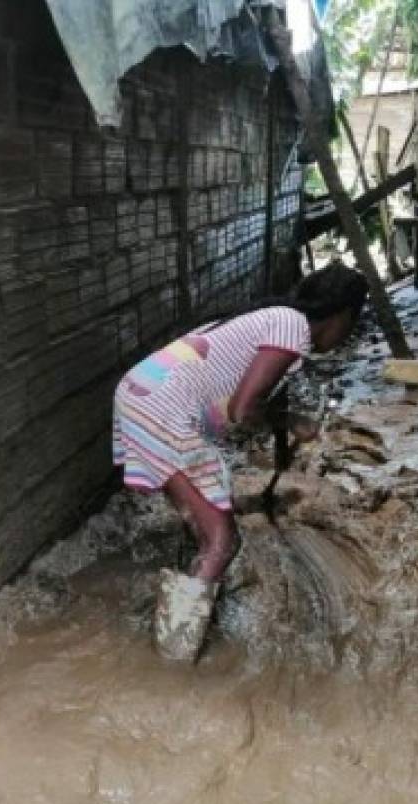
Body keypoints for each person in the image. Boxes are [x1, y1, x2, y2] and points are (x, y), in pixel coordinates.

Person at [112, 261, 368, 661]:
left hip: (139, 393)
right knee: (222, 540)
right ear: (341, 315)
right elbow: (243, 408)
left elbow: (264, 392)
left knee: (199, 523)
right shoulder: (291, 328)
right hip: (163, 408)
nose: (345, 336)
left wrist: (283, 447)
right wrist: (293, 421)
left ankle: (189, 611)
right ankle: (175, 655)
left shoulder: (275, 319)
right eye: (350, 327)